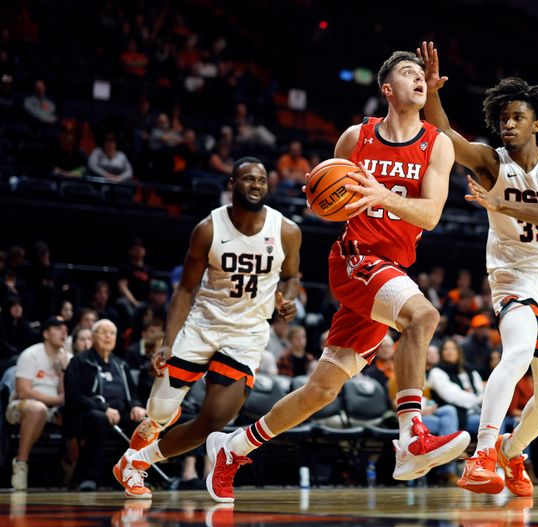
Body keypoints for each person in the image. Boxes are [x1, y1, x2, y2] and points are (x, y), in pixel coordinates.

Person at [199, 49, 466, 503]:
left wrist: (382, 193)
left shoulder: (435, 143)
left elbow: (430, 216)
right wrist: (323, 198)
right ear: (387, 89)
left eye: (422, 75)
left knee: (321, 390)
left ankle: (232, 447)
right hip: (354, 259)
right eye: (408, 73)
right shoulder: (355, 138)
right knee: (423, 318)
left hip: (390, 270)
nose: (419, 80)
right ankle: (412, 439)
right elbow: (327, 201)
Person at [419, 42, 538, 497]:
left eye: (517, 118)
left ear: (537, 124)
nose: (508, 125)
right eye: (503, 118)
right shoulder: (492, 161)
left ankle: (510, 452)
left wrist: (499, 201)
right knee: (517, 351)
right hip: (512, 276)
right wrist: (432, 93)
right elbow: (444, 132)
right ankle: (483, 453)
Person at [112, 157, 302, 500]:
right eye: (247, 179)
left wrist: (286, 299)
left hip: (246, 335)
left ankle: (135, 462)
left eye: (261, 180)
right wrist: (168, 343)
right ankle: (153, 428)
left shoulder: (286, 230)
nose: (256, 185)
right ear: (231, 184)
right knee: (159, 413)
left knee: (213, 420)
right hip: (202, 326)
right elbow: (185, 289)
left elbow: (291, 278)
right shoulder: (208, 229)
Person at [65, 319, 145, 491]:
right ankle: (91, 477)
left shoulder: (121, 364)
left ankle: (131, 476)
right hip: (88, 412)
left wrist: (136, 405)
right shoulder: (80, 362)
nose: (108, 336)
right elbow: (74, 396)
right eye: (103, 332)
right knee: (99, 419)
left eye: (112, 333)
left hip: (120, 411)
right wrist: (104, 409)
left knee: (142, 423)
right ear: (93, 336)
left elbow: (133, 393)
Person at [7, 316, 69, 490]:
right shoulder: (31, 354)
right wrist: (57, 400)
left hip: (56, 408)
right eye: (57, 328)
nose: (63, 331)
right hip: (22, 405)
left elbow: (68, 395)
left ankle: (70, 470)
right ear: (46, 334)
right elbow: (23, 391)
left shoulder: (68, 357)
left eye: (65, 328)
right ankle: (21, 463)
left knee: (79, 415)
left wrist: (63, 370)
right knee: (38, 409)